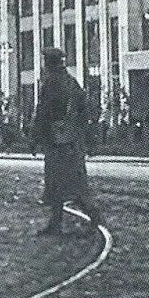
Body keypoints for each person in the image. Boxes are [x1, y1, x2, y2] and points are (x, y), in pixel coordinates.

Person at [29, 47, 103, 236]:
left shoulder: (51, 83)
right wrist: (88, 138)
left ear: (49, 63)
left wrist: (34, 137)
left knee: (57, 184)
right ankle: (85, 216)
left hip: (56, 141)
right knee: (74, 182)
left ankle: (78, 218)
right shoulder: (71, 82)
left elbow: (43, 112)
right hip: (73, 140)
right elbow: (85, 111)